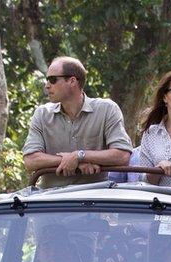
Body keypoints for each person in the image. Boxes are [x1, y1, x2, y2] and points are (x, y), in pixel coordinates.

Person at [22, 56, 132, 188]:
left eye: (53, 79)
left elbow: (122, 155)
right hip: (50, 200)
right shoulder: (42, 114)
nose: (47, 85)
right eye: (47, 80)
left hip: (96, 199)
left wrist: (79, 155)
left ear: (72, 81)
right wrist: (72, 160)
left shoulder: (107, 109)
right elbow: (30, 160)